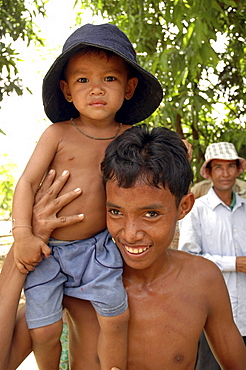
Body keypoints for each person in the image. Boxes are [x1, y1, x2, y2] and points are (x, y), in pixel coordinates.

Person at [1, 126, 246, 370]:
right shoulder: (74, 276)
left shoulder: (203, 280)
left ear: (184, 207)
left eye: (151, 214)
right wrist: (29, 235)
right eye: (115, 211)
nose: (130, 234)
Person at [11, 23, 163, 370]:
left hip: (99, 250)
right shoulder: (57, 134)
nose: (96, 89)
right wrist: (22, 234)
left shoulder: (131, 138)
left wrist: (177, 149)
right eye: (83, 80)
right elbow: (27, 183)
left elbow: (159, 156)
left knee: (115, 317)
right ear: (66, 90)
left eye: (109, 79)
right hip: (48, 251)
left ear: (129, 87)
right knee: (45, 331)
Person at [178, 141, 246, 369]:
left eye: (230, 167)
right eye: (218, 167)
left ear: (238, 170)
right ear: (208, 172)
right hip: (212, 312)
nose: (225, 174)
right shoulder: (196, 209)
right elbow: (189, 257)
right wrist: (232, 263)